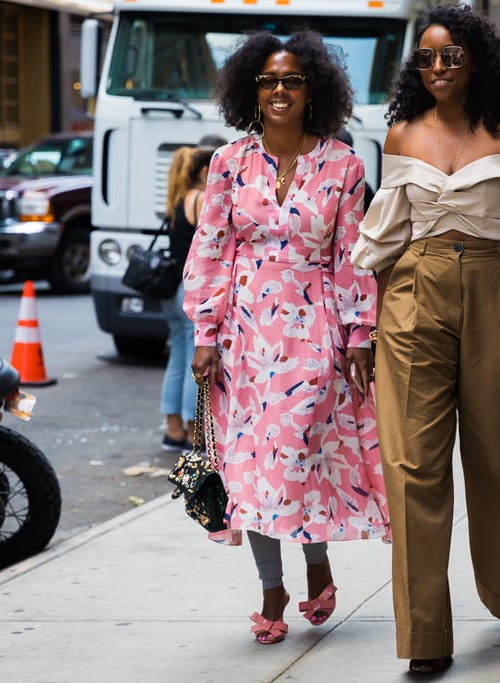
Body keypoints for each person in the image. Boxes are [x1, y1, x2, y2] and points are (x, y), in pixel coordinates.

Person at [352, 4, 500, 675]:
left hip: (495, 290)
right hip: (412, 296)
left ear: (476, 57)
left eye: (450, 54)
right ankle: (425, 636)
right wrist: (372, 326)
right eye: (426, 57)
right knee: (412, 465)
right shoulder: (401, 135)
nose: (438, 67)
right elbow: (387, 240)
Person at [184, 30, 390, 647]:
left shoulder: (345, 166)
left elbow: (353, 256)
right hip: (244, 341)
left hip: (315, 333)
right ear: (252, 88)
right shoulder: (227, 164)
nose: (280, 90)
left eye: (292, 80)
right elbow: (212, 251)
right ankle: (273, 586)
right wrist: (205, 330)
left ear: (312, 90)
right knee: (254, 469)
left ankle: (317, 558)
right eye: (269, 80)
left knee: (301, 455)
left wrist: (358, 334)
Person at [158, 142, 216, 452]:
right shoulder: (203, 199)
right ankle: (194, 432)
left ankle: (173, 429)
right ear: (205, 171)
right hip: (191, 289)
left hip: (171, 290)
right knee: (194, 362)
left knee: (177, 359)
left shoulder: (178, 199)